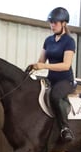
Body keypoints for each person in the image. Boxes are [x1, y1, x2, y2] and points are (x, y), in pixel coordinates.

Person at [30, 7, 77, 142]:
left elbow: (65, 65)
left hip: (65, 81)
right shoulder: (48, 40)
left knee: (55, 96)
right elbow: (41, 60)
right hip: (50, 78)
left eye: (55, 22)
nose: (52, 25)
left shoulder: (69, 41)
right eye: (51, 22)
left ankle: (65, 128)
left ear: (63, 24)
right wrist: (35, 66)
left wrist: (44, 66)